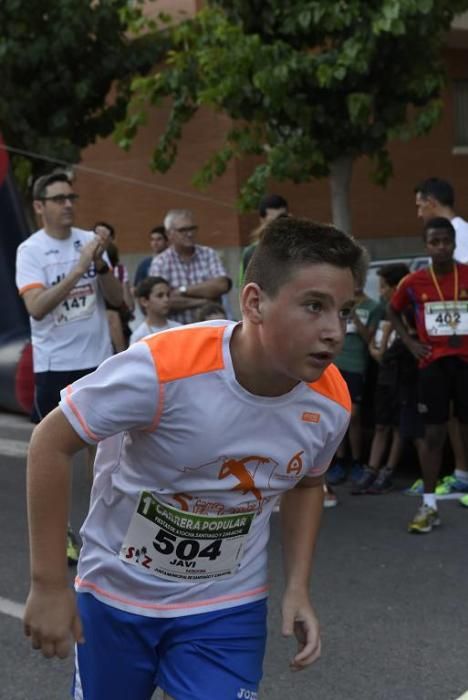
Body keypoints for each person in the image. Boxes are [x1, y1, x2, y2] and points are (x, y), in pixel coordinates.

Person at [23, 217, 362, 700]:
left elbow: (309, 484)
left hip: (225, 607)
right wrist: (49, 583)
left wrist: (298, 587)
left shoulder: (331, 402)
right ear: (254, 303)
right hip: (118, 597)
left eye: (345, 311)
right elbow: (49, 442)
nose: (334, 331)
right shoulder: (164, 367)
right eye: (314, 306)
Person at [15, 171, 123, 563]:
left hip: (94, 362)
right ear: (40, 206)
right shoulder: (31, 251)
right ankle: (58, 533)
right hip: (53, 366)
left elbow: (117, 300)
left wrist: (102, 265)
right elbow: (37, 308)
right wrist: (79, 269)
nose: (68, 205)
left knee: (104, 451)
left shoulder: (88, 241)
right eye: (58, 199)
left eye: (71, 197)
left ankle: (102, 532)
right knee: (54, 453)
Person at [388, 217, 468, 532]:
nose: (442, 247)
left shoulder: (466, 274)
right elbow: (392, 310)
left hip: (465, 361)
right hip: (432, 364)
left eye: (446, 241)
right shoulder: (413, 282)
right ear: (426, 246)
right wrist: (409, 342)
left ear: (454, 243)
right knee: (433, 434)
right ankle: (429, 504)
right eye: (435, 242)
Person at [414, 178, 468, 496]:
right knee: (445, 417)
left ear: (433, 201)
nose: (418, 212)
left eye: (420, 204)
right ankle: (460, 473)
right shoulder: (445, 234)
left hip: (461, 348)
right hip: (440, 351)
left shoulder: (459, 234)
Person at [352, 263, 415, 495]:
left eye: (383, 286)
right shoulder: (384, 308)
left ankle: (388, 470)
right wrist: (375, 350)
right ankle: (372, 468)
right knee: (381, 424)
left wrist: (381, 352)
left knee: (398, 425)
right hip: (383, 375)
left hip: (400, 373)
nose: (380, 291)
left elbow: (397, 342)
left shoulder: (407, 310)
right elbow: (374, 340)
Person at [327, 247, 381, 485]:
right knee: (336, 416)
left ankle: (357, 460)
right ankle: (338, 461)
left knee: (354, 415)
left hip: (357, 365)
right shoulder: (336, 303)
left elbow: (371, 338)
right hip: (334, 365)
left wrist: (355, 316)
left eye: (360, 279)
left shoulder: (373, 307)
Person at [150, 209, 231, 324]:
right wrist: (204, 301)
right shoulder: (160, 262)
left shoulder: (208, 254)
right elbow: (164, 301)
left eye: (192, 228)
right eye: (183, 230)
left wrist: (183, 290)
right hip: (179, 333)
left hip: (210, 330)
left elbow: (222, 285)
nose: (189, 234)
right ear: (169, 234)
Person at [239, 194, 289, 286]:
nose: (279, 224)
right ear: (262, 220)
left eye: (283, 218)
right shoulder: (252, 252)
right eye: (273, 221)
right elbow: (245, 287)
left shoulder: (297, 246)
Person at [130, 276, 181, 344]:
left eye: (168, 295)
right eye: (160, 295)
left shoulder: (179, 328)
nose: (166, 299)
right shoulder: (139, 337)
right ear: (144, 301)